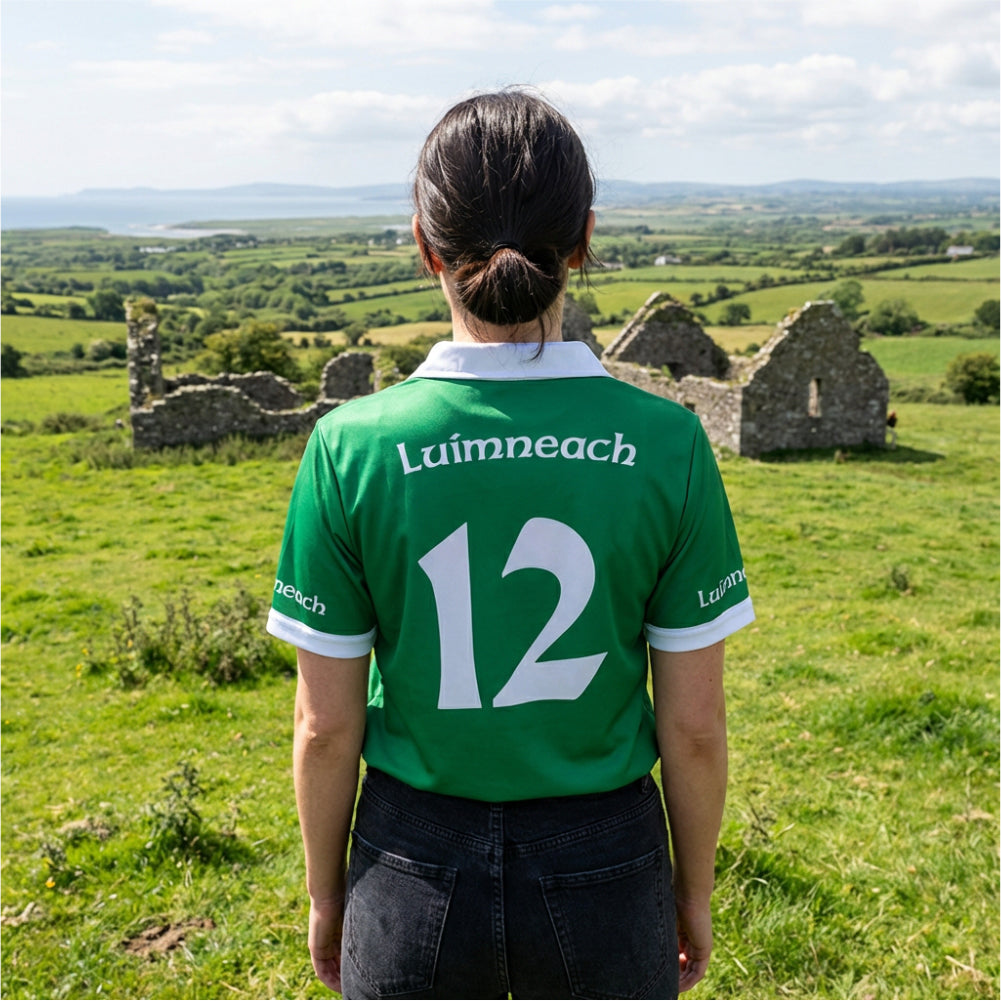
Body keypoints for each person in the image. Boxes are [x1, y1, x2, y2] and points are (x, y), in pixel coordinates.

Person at [267, 89, 754, 1000]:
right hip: (606, 857)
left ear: (424, 246)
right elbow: (691, 727)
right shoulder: (668, 443)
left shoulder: (348, 446)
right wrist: (692, 891)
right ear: (582, 240)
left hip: (409, 858)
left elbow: (326, 725)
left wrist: (327, 896)